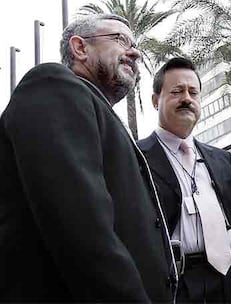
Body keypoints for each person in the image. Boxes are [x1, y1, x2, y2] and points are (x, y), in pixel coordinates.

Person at [0, 14, 177, 302]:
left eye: (136, 45)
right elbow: (81, 231)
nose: (134, 52)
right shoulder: (53, 85)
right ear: (80, 48)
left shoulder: (98, 113)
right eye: (120, 39)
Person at [137, 57, 231, 303]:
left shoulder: (222, 159)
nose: (187, 98)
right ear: (156, 100)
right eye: (177, 91)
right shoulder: (136, 157)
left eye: (193, 92)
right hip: (183, 286)